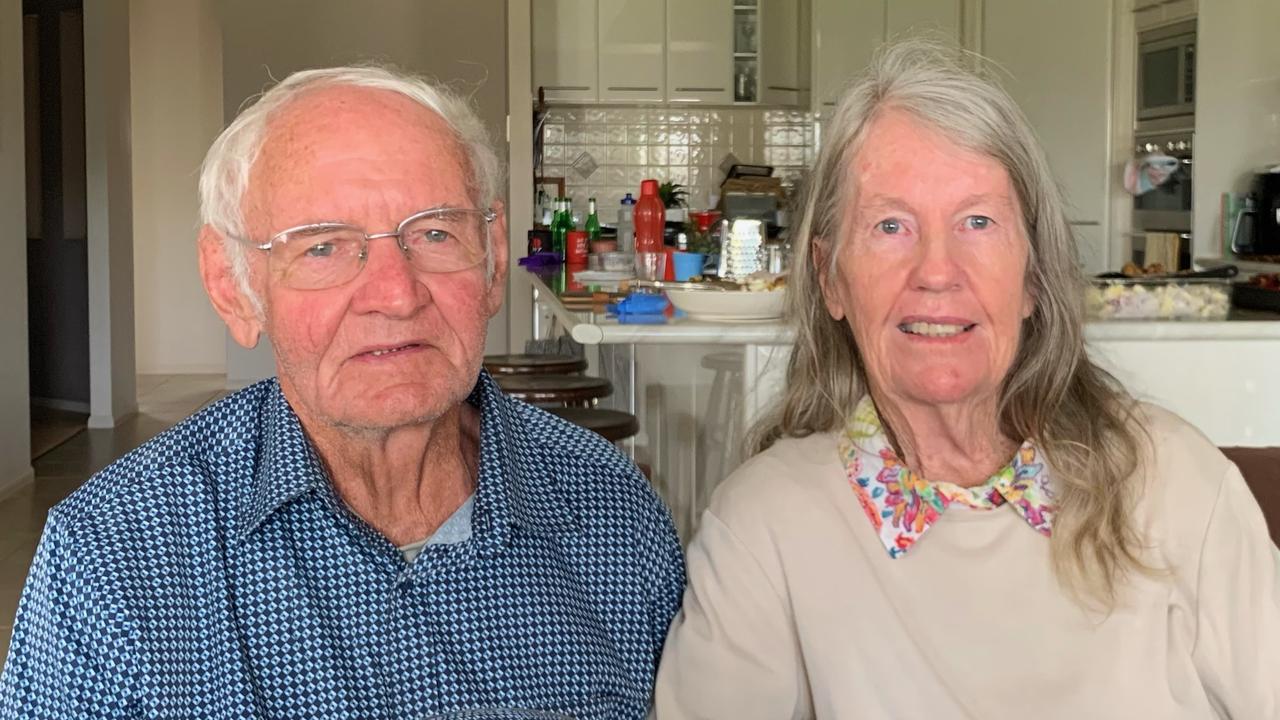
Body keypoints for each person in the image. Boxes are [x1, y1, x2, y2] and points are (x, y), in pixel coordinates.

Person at [0, 66, 684, 718]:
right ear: (232, 286)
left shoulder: (613, 513)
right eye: (322, 247)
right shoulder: (112, 552)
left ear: (494, 257)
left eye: (436, 232)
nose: (395, 294)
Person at [654, 40, 1279, 718]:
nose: (937, 271)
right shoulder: (765, 526)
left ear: (1034, 276)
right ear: (831, 276)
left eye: (977, 222)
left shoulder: (1176, 482)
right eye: (891, 226)